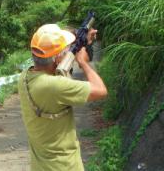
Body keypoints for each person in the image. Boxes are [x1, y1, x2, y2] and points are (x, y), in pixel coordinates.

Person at [18, 24, 108, 171]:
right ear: (57, 57)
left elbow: (55, 66)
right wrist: (83, 62)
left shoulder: (24, 77)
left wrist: (80, 38)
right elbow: (100, 90)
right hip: (65, 166)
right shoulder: (54, 86)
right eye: (65, 49)